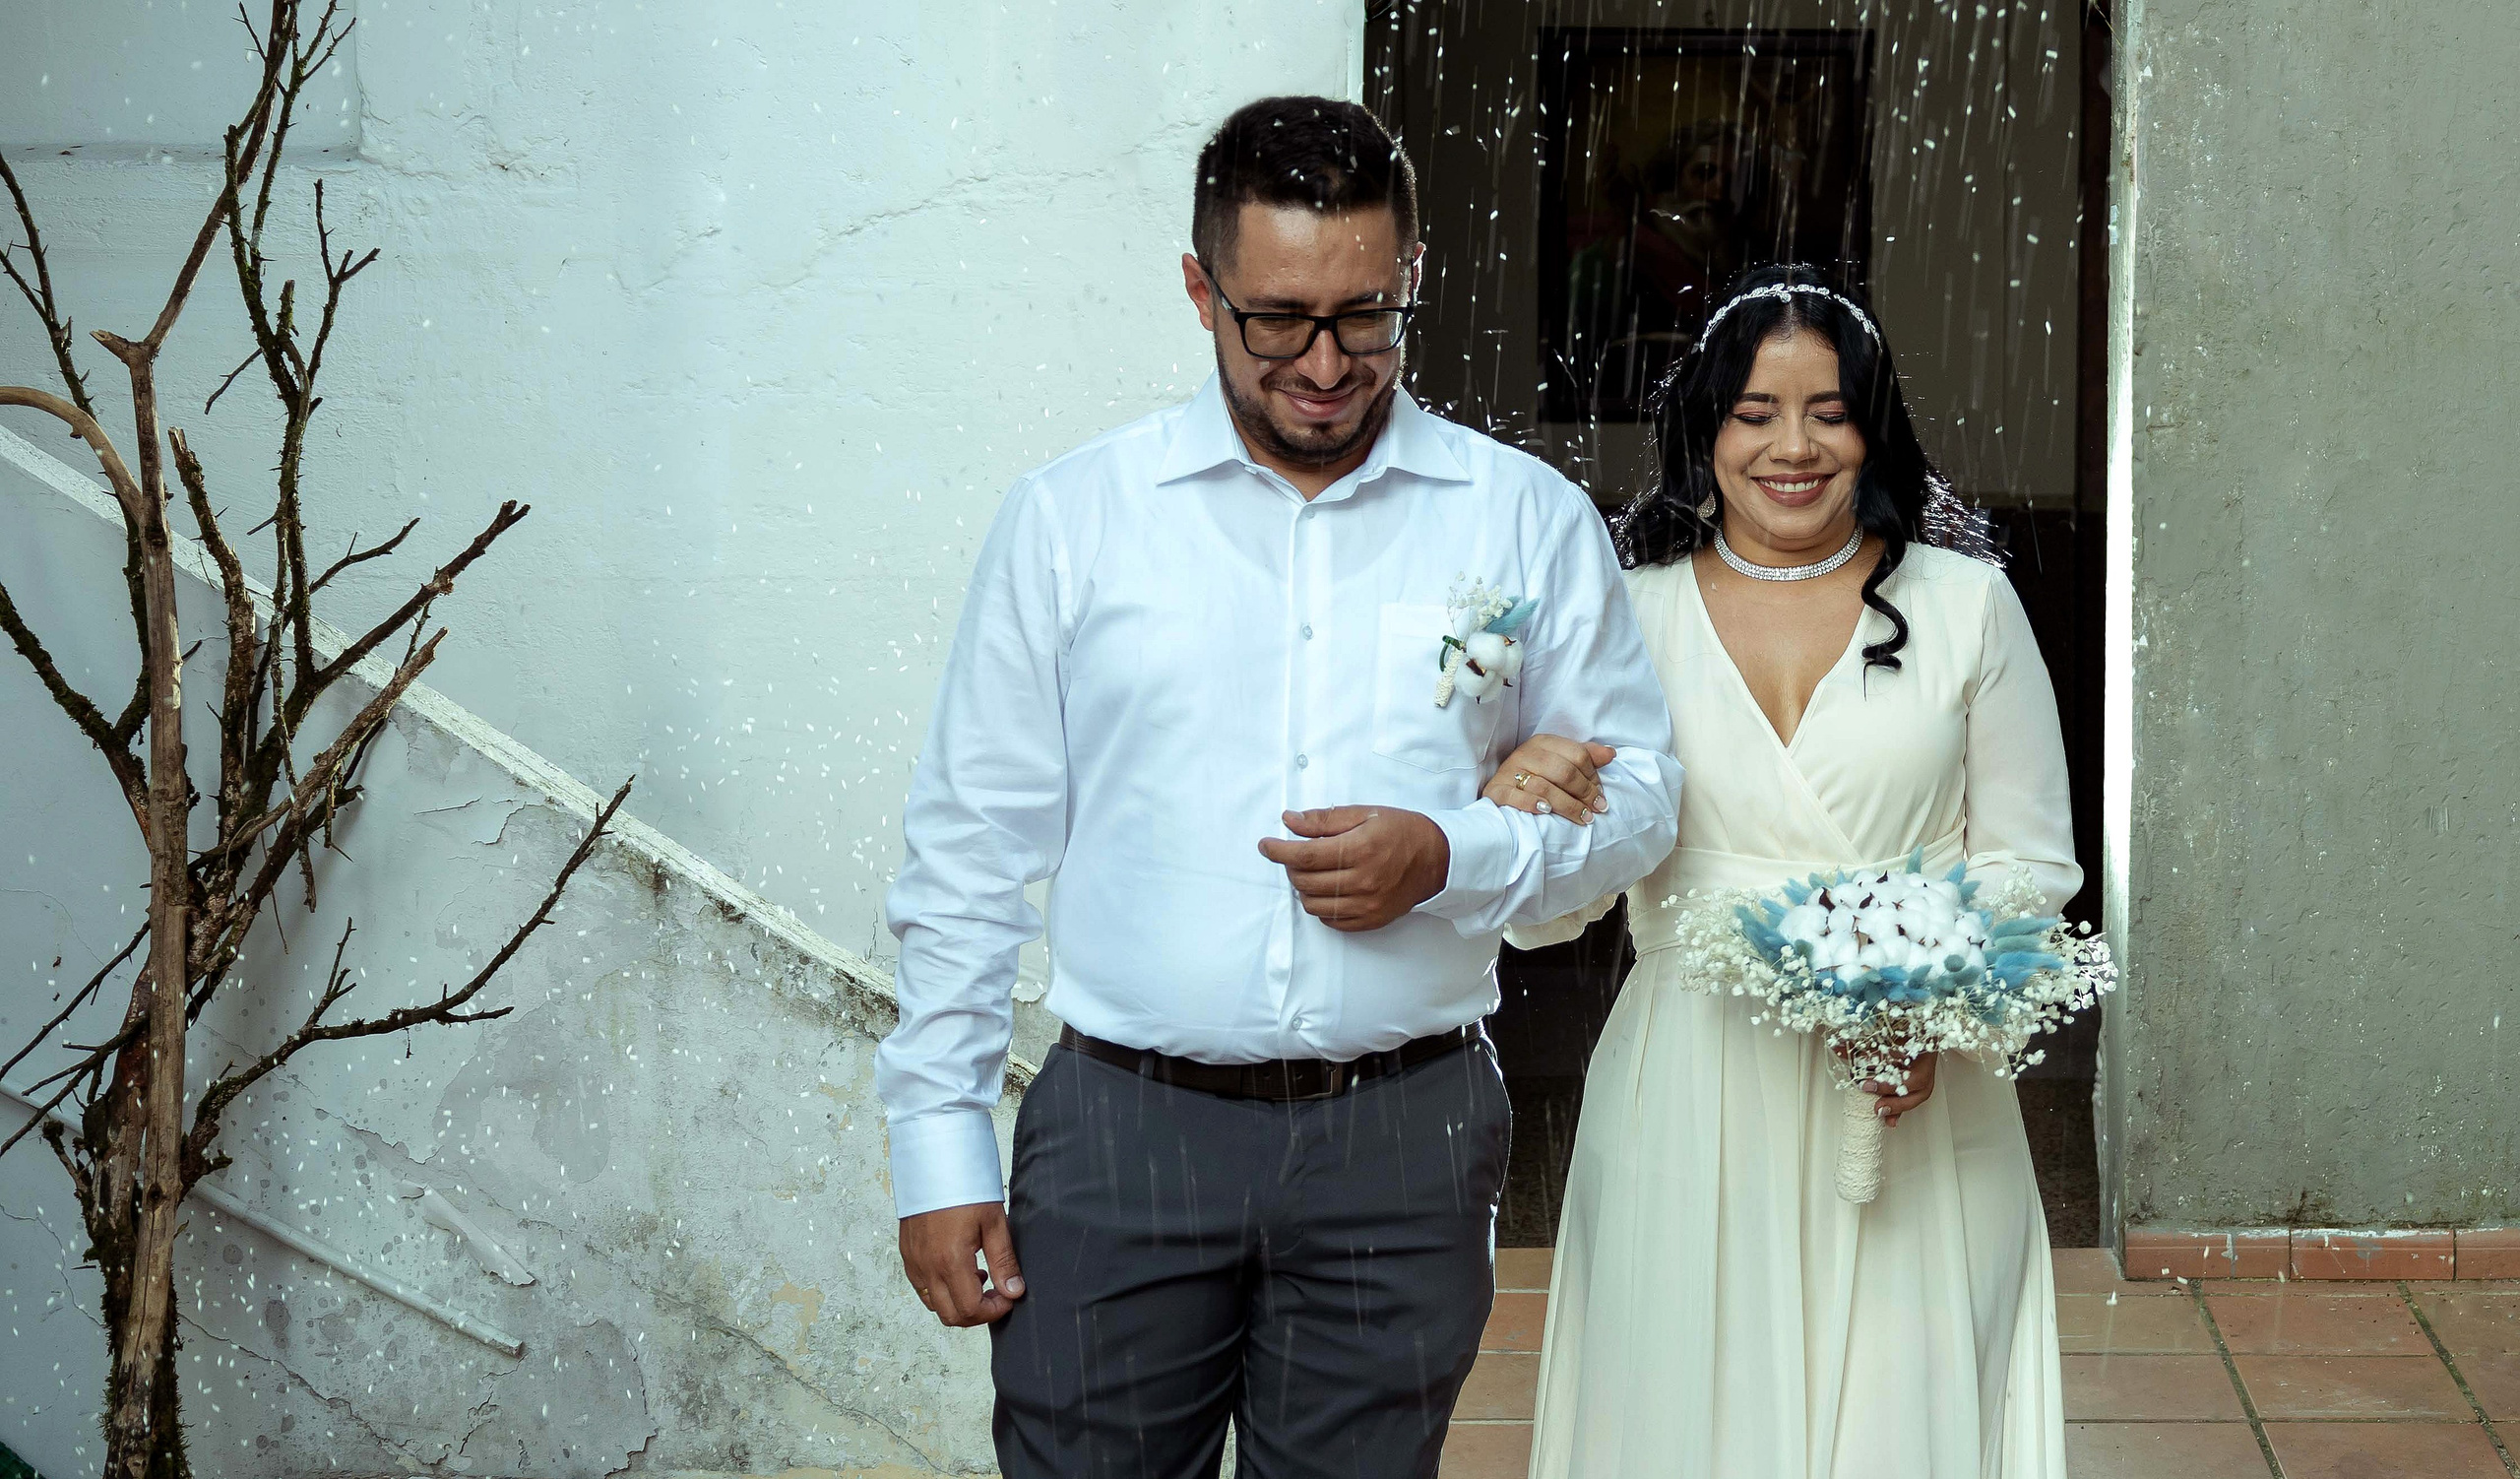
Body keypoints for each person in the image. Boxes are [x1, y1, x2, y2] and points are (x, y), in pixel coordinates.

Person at [874, 96, 1683, 1478]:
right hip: (1124, 1128)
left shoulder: (1522, 516)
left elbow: (1644, 798)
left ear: (1411, 275)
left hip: (1405, 1133)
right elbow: (969, 847)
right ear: (1202, 291)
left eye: (1365, 316)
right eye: (1279, 320)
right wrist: (937, 1140)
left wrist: (1454, 855)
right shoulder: (1074, 520)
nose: (1324, 363)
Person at [1493, 265, 2078, 1478]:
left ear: (1873, 428)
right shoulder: (1627, 614)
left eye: (1829, 412)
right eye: (1754, 412)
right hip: (1691, 1085)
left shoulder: (1967, 605)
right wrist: (1521, 815)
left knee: (1902, 1420)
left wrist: (1935, 1011)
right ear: (1704, 430)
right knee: (1681, 1420)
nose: (1793, 447)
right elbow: (1560, 908)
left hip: (1913, 1094)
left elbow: (2028, 864)